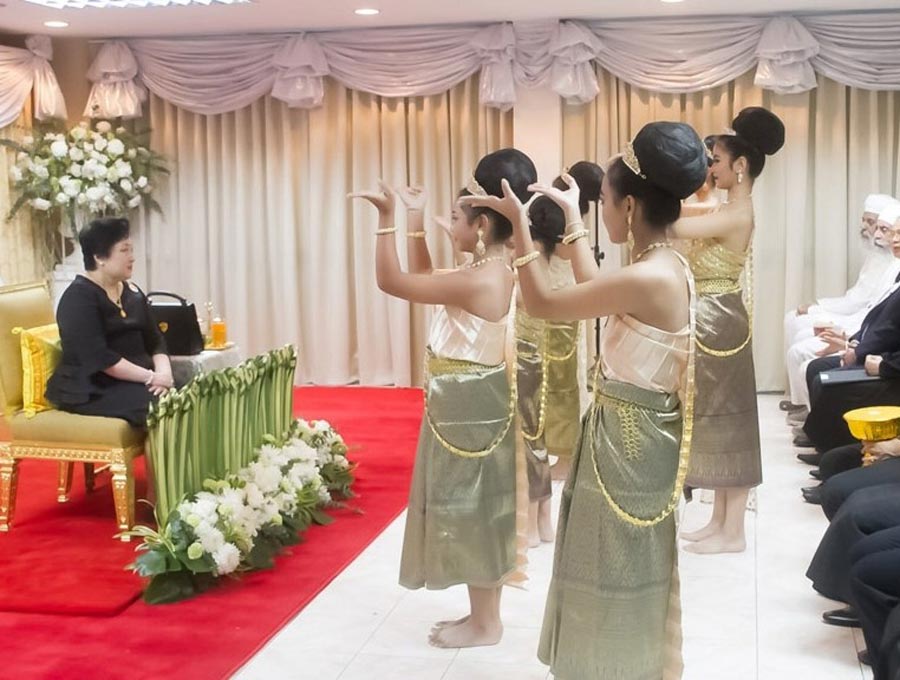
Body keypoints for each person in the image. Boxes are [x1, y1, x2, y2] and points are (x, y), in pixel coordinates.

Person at [463, 121, 707, 679]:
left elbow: (547, 302)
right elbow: (598, 292)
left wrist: (520, 227)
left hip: (629, 445)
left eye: (608, 202)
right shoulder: (662, 265)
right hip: (630, 437)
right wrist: (572, 219)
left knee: (613, 563)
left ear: (631, 206)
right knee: (607, 558)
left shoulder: (651, 276)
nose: (607, 211)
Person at [350, 148, 537, 649]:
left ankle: (485, 624)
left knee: (474, 509)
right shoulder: (487, 268)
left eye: (455, 217)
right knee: (475, 507)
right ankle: (482, 617)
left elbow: (393, 282)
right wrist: (414, 216)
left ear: (480, 226)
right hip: (467, 400)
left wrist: (387, 219)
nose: (448, 223)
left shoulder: (481, 277)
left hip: (469, 405)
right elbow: (430, 278)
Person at [674, 107, 785, 554]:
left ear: (740, 166)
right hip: (710, 317)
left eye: (715, 159)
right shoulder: (724, 205)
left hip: (721, 318)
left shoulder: (738, 211)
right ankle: (719, 520)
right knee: (713, 421)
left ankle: (733, 531)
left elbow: (675, 225)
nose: (711, 167)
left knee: (731, 423)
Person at [46, 217, 172, 428]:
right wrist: (151, 378)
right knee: (162, 406)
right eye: (124, 250)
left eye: (131, 250)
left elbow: (155, 339)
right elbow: (101, 359)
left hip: (134, 379)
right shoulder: (78, 299)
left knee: (192, 393)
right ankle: (162, 462)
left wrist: (164, 374)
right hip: (92, 388)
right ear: (99, 257)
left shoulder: (133, 292)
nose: (132, 257)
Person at [783, 197, 900, 417]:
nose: (878, 235)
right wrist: (851, 341)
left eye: (889, 231)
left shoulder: (894, 268)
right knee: (797, 326)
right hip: (864, 338)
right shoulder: (887, 265)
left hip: (879, 356)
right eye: (889, 232)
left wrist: (854, 347)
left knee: (808, 359)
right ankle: (812, 418)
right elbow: (871, 312)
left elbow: (884, 326)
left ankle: (814, 420)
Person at [545, 161, 604, 481]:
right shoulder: (574, 217)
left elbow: (566, 253)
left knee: (565, 377)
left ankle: (568, 456)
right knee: (560, 375)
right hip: (560, 289)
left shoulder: (570, 219)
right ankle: (563, 452)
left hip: (560, 290)